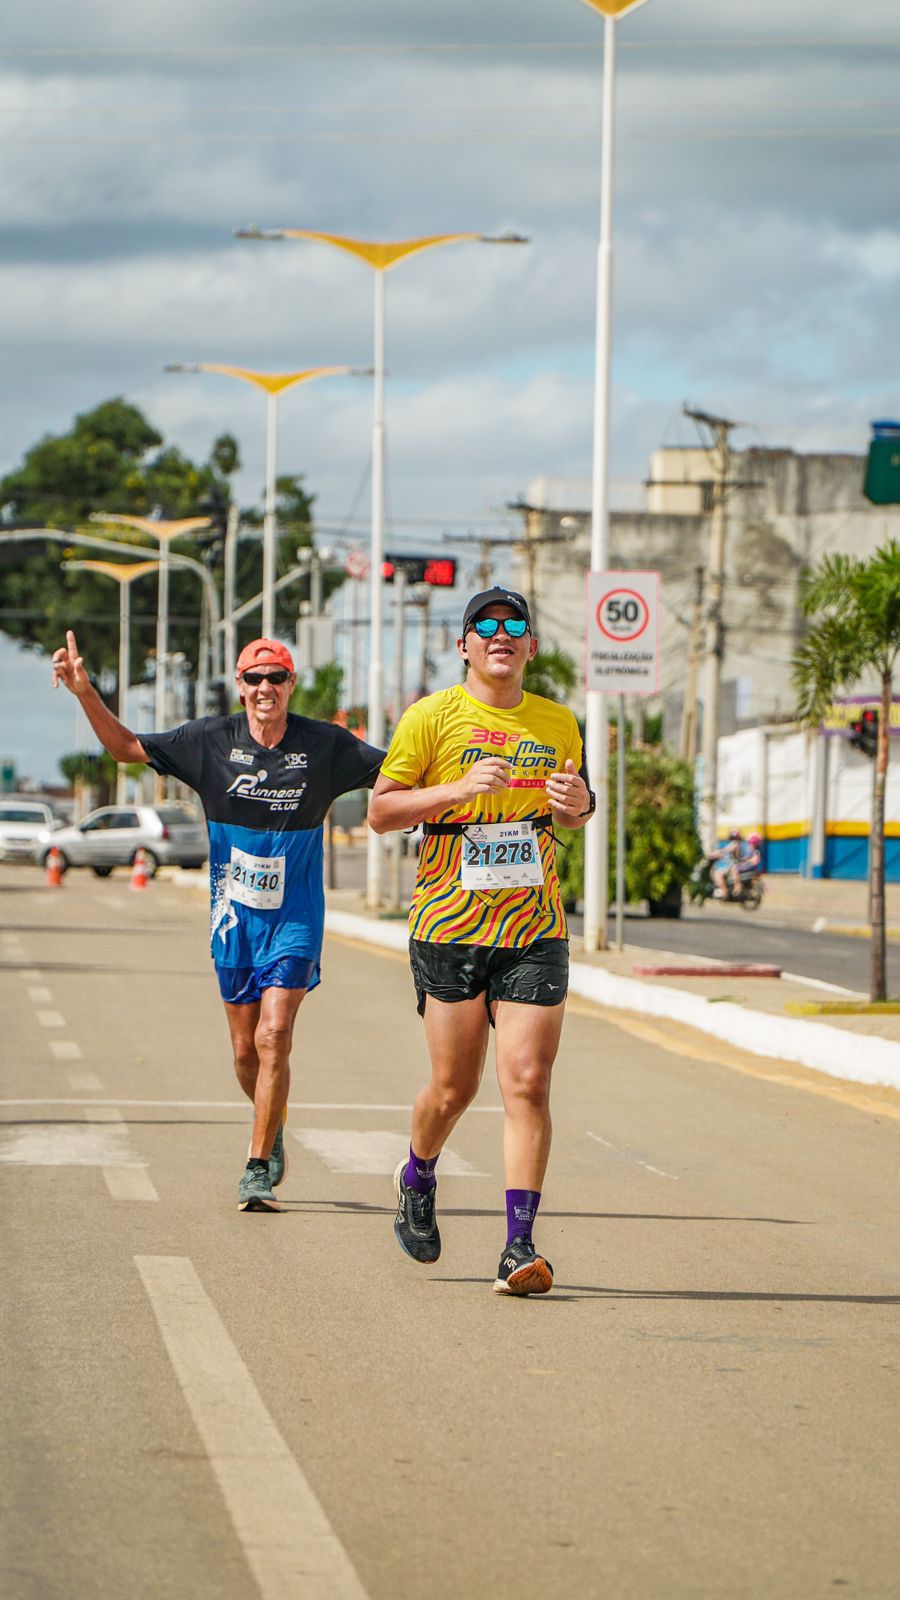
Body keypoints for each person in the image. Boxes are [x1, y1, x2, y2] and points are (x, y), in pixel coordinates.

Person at [51, 631, 383, 1212]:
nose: (264, 688)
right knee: (244, 1051)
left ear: (291, 684)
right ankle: (272, 1123)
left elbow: (400, 771)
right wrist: (85, 693)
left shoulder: (325, 745)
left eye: (275, 677)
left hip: (296, 918)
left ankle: (255, 1167)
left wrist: (466, 782)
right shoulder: (209, 741)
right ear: (240, 685)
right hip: (233, 919)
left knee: (274, 1034)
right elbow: (126, 747)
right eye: (254, 678)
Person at [367, 587, 594, 1297]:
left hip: (534, 926)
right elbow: (380, 811)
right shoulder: (429, 717)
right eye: (485, 625)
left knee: (527, 1080)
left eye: (514, 624)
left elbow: (576, 809)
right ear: (463, 644)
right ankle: (418, 1174)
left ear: (531, 646)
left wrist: (580, 805)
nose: (501, 634)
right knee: (454, 1087)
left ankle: (518, 1246)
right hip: (451, 924)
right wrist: (456, 790)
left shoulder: (558, 721)